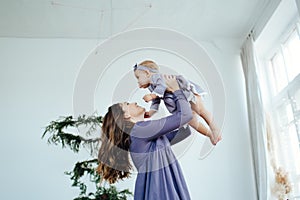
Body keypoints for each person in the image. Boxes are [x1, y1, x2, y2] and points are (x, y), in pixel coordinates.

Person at [97, 75, 193, 200]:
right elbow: (185, 116)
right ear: (125, 115)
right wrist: (176, 90)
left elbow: (185, 131)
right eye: (127, 104)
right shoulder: (140, 130)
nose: (134, 103)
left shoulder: (144, 134)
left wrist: (173, 103)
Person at [133, 60, 220, 145]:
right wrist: (151, 112)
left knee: (201, 110)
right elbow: (156, 100)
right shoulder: (151, 86)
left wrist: (151, 96)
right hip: (180, 101)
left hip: (187, 93)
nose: (138, 81)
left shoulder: (157, 77)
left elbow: (161, 86)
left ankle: (215, 129)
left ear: (147, 73)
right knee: (193, 123)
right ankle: (210, 135)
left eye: (138, 77)